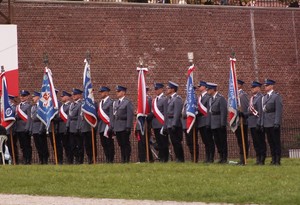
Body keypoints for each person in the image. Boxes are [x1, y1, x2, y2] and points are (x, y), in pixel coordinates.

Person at [261, 79, 283, 165]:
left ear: (271, 86)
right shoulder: (265, 97)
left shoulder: (276, 96)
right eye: (265, 86)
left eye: (267, 85)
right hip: (267, 123)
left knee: (276, 142)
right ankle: (273, 158)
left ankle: (277, 159)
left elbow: (278, 110)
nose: (265, 87)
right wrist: (262, 123)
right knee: (270, 142)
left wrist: (277, 122)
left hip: (273, 122)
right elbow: (263, 112)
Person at [111, 85, 134, 163]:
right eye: (117, 91)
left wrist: (128, 126)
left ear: (123, 92)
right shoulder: (115, 103)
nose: (117, 93)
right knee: (120, 144)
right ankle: (123, 158)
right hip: (117, 126)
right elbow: (113, 116)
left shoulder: (127, 102)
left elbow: (130, 115)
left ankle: (127, 158)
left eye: (119, 91)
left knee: (125, 143)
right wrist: (113, 126)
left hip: (124, 125)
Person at [206, 82, 228, 164]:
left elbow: (223, 111)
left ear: (213, 89)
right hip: (213, 123)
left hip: (219, 122)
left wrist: (223, 123)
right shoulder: (210, 99)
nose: (207, 91)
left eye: (209, 89)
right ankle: (220, 156)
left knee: (222, 141)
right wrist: (208, 123)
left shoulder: (220, 98)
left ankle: (224, 157)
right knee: (217, 141)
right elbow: (209, 112)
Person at [150, 83, 169, 162]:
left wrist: (165, 126)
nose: (156, 91)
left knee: (164, 142)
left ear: (161, 89)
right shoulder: (154, 100)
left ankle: (165, 158)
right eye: (155, 89)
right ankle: (161, 157)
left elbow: (166, 113)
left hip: (162, 124)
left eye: (157, 89)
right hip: (155, 124)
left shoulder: (165, 99)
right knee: (159, 142)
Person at [248, 81, 266, 165]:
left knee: (260, 141)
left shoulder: (260, 97)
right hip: (251, 123)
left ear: (258, 88)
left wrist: (259, 123)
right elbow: (250, 111)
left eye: (254, 87)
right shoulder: (252, 98)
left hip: (257, 122)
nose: (252, 89)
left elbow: (260, 112)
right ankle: (258, 157)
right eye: (252, 87)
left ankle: (262, 158)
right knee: (255, 142)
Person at [166, 81, 184, 162]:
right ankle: (178, 157)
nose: (167, 89)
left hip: (175, 124)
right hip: (170, 123)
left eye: (168, 88)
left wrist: (174, 124)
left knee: (177, 142)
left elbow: (177, 113)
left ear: (173, 89)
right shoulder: (170, 99)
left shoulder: (177, 99)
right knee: (173, 142)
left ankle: (180, 158)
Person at [197, 81, 214, 163]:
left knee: (209, 140)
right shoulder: (199, 97)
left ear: (204, 87)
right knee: (205, 141)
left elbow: (208, 110)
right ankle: (207, 157)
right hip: (200, 122)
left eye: (200, 86)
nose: (199, 87)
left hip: (206, 121)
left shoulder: (208, 97)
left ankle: (211, 158)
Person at [30, 91, 49, 164]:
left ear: (38, 97)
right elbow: (32, 119)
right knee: (38, 145)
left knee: (43, 144)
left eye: (34, 97)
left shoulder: (42, 106)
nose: (33, 98)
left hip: (40, 127)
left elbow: (43, 118)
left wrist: (42, 128)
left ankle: (45, 159)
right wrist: (31, 129)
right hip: (35, 128)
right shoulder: (33, 107)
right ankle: (41, 159)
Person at [135, 87, 153, 163]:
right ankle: (143, 159)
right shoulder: (140, 100)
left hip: (145, 125)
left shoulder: (149, 100)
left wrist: (145, 115)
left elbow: (151, 113)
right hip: (139, 125)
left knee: (144, 143)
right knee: (141, 143)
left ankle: (148, 159)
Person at [98, 86, 115, 163]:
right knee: (104, 144)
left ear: (106, 92)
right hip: (101, 126)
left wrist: (111, 126)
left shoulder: (111, 102)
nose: (101, 93)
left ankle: (110, 159)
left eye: (102, 92)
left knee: (109, 143)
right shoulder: (101, 102)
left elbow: (111, 115)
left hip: (108, 126)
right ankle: (107, 158)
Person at [15, 90, 32, 164]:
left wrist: (27, 128)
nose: (22, 97)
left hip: (25, 128)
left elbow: (29, 118)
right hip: (18, 128)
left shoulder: (29, 105)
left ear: (27, 97)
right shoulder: (18, 106)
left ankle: (28, 159)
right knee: (22, 146)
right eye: (21, 96)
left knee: (27, 145)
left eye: (24, 96)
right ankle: (25, 159)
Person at [234, 79, 249, 165]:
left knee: (243, 140)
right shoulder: (235, 95)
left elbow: (244, 107)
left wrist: (242, 114)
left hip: (242, 121)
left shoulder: (242, 95)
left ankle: (244, 158)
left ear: (239, 85)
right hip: (237, 121)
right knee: (239, 141)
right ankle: (241, 158)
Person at [182, 87, 199, 162]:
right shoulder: (187, 99)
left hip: (191, 123)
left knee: (193, 141)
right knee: (189, 141)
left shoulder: (194, 99)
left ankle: (195, 157)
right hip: (185, 123)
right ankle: (192, 154)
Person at [67, 88, 83, 164]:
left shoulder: (80, 104)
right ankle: (76, 158)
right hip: (71, 127)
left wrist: (78, 127)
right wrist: (67, 126)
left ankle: (80, 160)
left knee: (79, 145)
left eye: (75, 94)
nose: (73, 96)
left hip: (77, 127)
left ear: (80, 95)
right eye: (73, 94)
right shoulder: (72, 105)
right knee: (72, 145)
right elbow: (69, 117)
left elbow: (80, 117)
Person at [57, 90, 72, 164]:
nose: (61, 97)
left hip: (66, 127)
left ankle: (70, 160)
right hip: (61, 128)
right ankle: (66, 159)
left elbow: (68, 117)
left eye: (63, 96)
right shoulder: (62, 106)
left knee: (68, 145)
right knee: (64, 145)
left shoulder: (70, 106)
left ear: (67, 97)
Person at [6, 95, 17, 164]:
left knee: (12, 146)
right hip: (5, 130)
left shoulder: (14, 108)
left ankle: (15, 159)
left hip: (12, 130)